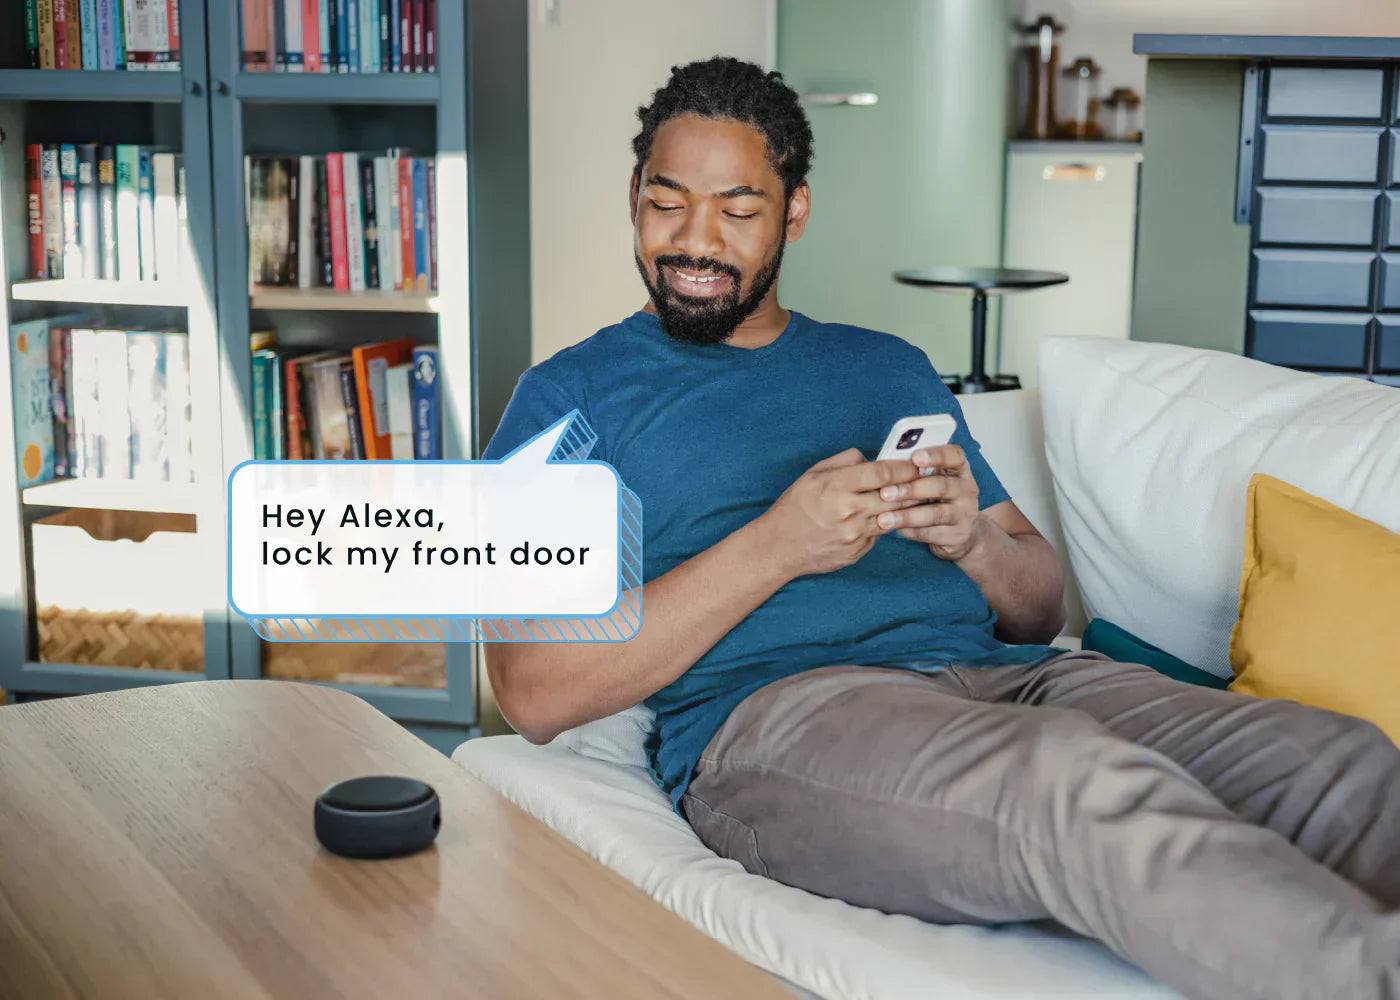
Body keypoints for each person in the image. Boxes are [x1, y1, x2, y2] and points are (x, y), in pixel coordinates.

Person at [482, 56, 1400, 1000]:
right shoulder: (564, 397)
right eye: (667, 203)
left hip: (1016, 679)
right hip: (783, 720)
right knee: (1072, 786)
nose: (695, 241)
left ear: (794, 213)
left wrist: (974, 544)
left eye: (738, 210)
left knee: (1337, 762)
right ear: (634, 196)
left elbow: (1039, 609)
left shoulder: (888, 367)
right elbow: (528, 688)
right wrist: (777, 546)